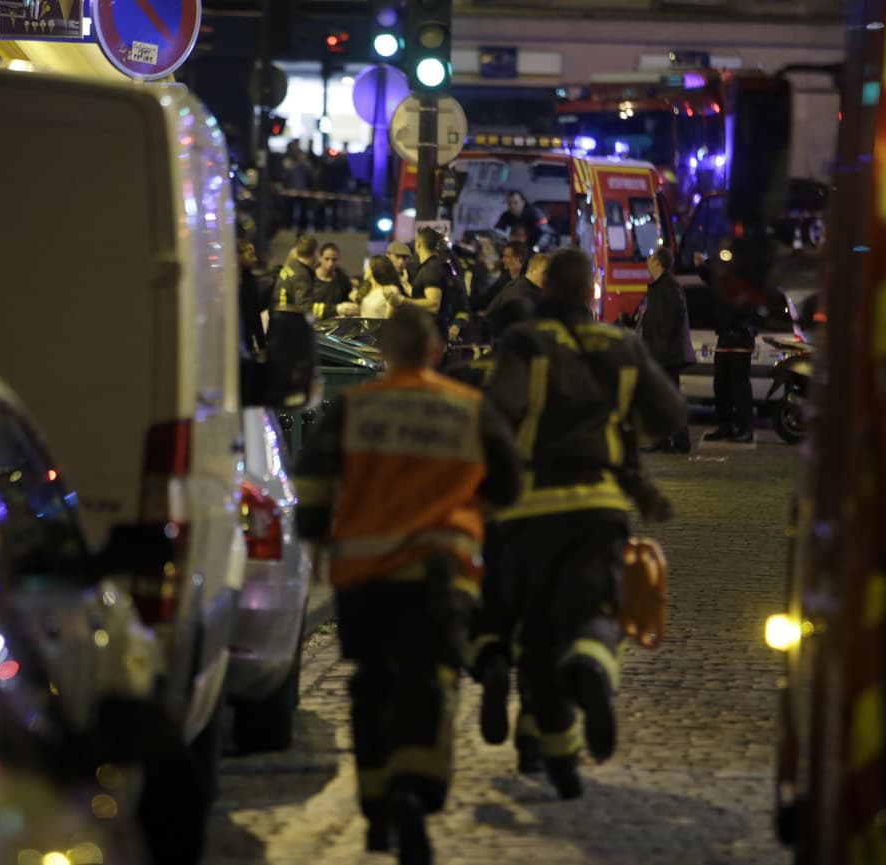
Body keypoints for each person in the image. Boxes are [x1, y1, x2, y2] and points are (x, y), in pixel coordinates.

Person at [294, 305, 521, 865]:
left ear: (382, 352)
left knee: (372, 684)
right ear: (437, 350)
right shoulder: (468, 408)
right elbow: (509, 483)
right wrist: (473, 515)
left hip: (365, 576)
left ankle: (376, 807)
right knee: (430, 679)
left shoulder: (354, 406)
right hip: (440, 571)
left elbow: (314, 481)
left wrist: (314, 542)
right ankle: (412, 788)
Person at [485, 248, 688, 800]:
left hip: (532, 510)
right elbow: (671, 413)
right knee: (597, 613)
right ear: (589, 291)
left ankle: (557, 759)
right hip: (599, 507)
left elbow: (495, 418)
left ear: (547, 288)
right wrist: (622, 431)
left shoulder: (525, 343)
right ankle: (593, 671)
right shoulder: (620, 345)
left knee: (538, 634)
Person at [443, 297, 544, 775]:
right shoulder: (549, 384)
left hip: (477, 518)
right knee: (540, 626)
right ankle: (533, 734)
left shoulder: (463, 379)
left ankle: (490, 666)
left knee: (483, 613)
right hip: (540, 517)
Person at [636, 247, 695, 453]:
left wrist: (662, 337)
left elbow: (676, 314)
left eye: (650, 258)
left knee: (669, 398)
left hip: (667, 353)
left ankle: (680, 441)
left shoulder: (669, 284)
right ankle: (663, 439)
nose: (647, 261)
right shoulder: (660, 285)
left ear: (657, 263)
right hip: (660, 351)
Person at [704, 254, 757, 444]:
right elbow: (710, 277)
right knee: (721, 385)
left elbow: (748, 311)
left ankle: (745, 428)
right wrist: (702, 265)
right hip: (725, 338)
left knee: (739, 387)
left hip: (740, 339)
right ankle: (726, 425)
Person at [405, 227, 469, 340]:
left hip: (433, 332)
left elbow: (435, 304)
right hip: (428, 330)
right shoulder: (421, 267)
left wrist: (458, 324)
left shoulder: (432, 269)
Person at [486, 252, 547, 327]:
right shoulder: (519, 290)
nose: (548, 278)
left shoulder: (528, 288)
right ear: (533, 270)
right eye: (545, 273)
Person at [314, 242, 360, 318]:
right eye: (327, 259)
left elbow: (349, 299)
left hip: (336, 322)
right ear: (320, 258)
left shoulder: (342, 278)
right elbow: (306, 306)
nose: (330, 263)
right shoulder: (310, 278)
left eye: (334, 260)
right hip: (313, 321)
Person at [274, 234, 318, 311]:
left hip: (278, 313)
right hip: (288, 316)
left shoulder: (290, 266)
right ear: (315, 252)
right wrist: (334, 309)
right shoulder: (302, 274)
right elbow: (304, 306)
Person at [238, 240, 267, 353]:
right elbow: (255, 316)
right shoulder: (245, 283)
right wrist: (262, 346)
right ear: (239, 256)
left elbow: (255, 316)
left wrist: (262, 346)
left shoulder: (250, 281)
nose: (255, 259)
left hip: (246, 343)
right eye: (250, 255)